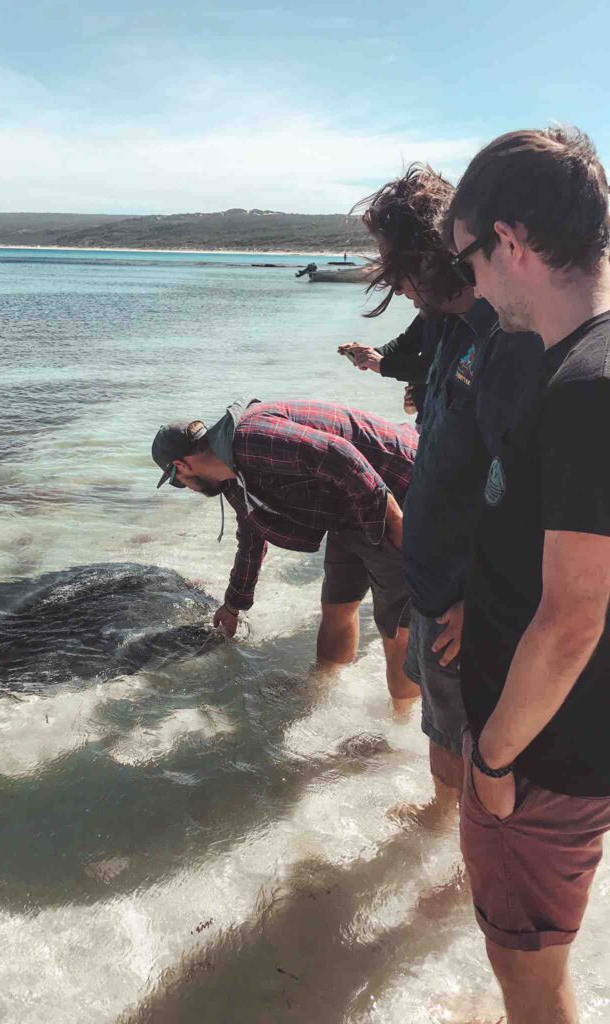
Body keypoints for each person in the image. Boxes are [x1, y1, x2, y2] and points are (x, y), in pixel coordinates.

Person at [445, 126, 610, 1024]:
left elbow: (573, 617)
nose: (470, 284)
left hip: (544, 760)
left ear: (509, 242)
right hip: (562, 743)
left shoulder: (589, 386)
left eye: (469, 259)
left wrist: (496, 762)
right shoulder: (581, 367)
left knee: (530, 976)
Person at [349, 165, 542, 822]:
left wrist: (487, 599)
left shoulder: (510, 339)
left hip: (471, 606)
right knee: (441, 735)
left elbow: (543, 493)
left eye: (399, 267)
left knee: (475, 752)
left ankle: (464, 870)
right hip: (434, 586)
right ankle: (437, 840)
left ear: (434, 254)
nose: (396, 284)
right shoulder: (442, 325)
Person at [151, 399, 420, 703]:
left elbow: (340, 454)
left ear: (182, 466)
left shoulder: (252, 441)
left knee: (397, 627)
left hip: (401, 486)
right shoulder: (232, 477)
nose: (185, 487)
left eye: (176, 482)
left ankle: (400, 727)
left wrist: (397, 519)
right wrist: (233, 605)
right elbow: (252, 538)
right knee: (337, 604)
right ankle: (322, 691)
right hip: (352, 506)